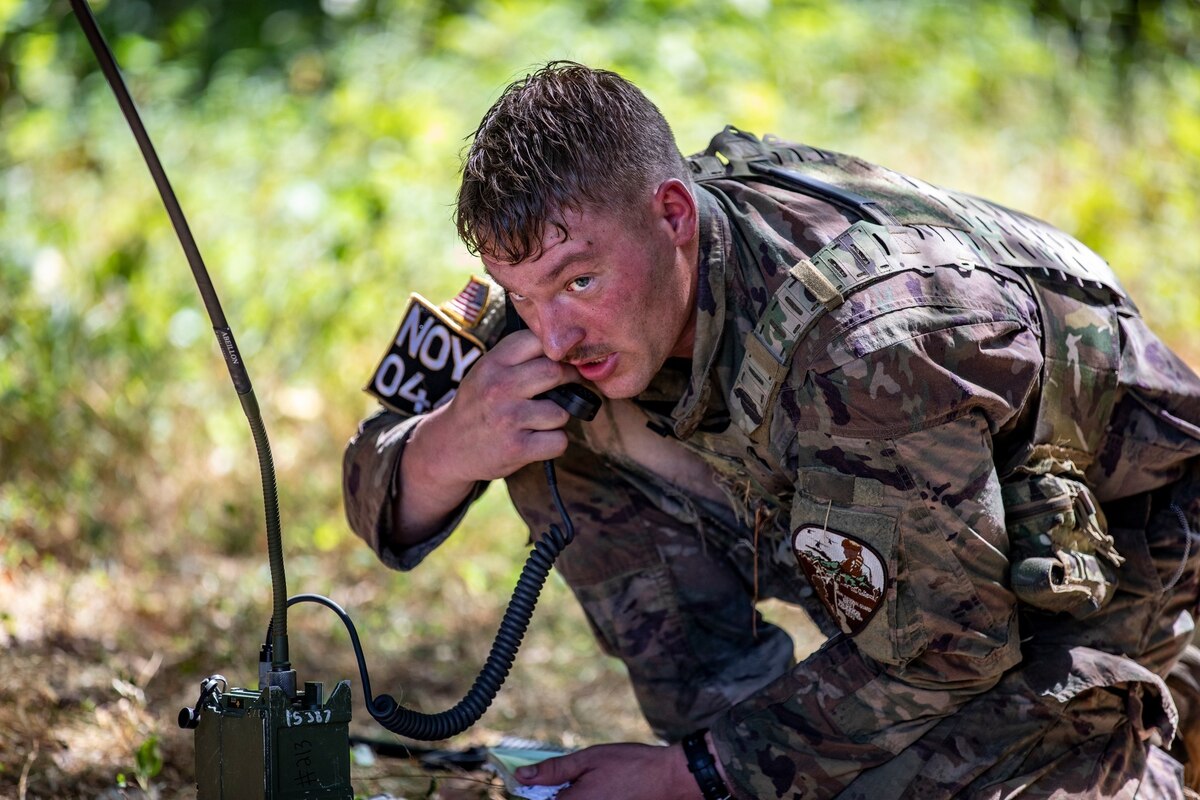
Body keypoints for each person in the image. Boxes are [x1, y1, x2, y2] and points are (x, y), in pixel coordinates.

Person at [343, 62, 1200, 799]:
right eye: (522, 294)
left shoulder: (868, 348)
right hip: (910, 548)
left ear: (674, 213)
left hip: (1102, 551)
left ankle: (1131, 728)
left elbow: (945, 648)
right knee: (538, 421)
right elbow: (373, 471)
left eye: (578, 284)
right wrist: (448, 443)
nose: (554, 334)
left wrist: (690, 777)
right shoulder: (564, 310)